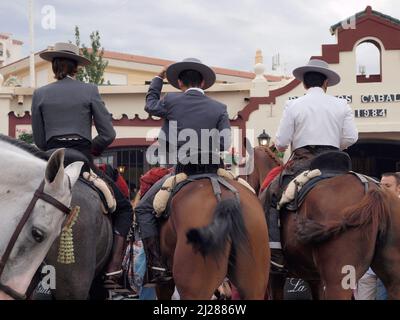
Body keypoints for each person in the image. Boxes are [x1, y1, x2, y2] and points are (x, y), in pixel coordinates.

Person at [31, 42, 129, 286]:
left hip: (50, 162)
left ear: (54, 67)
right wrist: (89, 150)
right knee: (125, 208)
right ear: (76, 68)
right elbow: (108, 134)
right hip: (82, 160)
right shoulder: (90, 90)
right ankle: (114, 269)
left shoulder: (40, 94)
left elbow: (40, 141)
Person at [135, 58, 231, 286]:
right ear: (203, 83)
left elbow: (150, 104)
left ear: (179, 82)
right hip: (214, 171)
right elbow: (225, 143)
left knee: (143, 209)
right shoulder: (219, 107)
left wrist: (158, 79)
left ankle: (156, 265)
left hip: (183, 172)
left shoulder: (171, 100)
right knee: (255, 197)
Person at [267, 59, 358, 271]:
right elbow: (351, 138)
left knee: (271, 194)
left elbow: (280, 143)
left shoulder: (294, 104)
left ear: (304, 84)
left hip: (303, 162)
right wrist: (335, 144)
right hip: (336, 162)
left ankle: (275, 251)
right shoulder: (341, 104)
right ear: (326, 82)